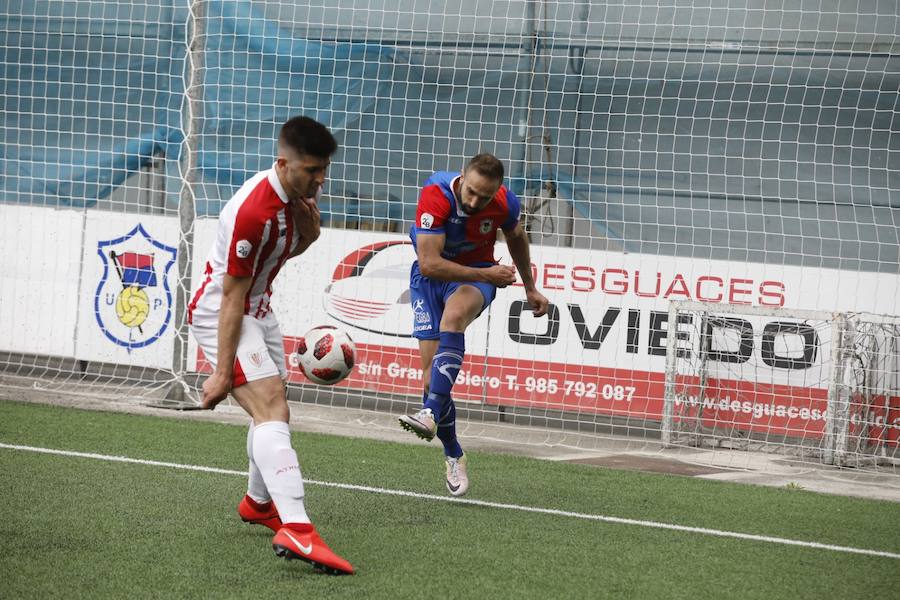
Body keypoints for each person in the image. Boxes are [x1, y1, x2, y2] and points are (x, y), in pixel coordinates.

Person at [188, 116, 353, 575]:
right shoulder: (253, 210)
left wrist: (311, 235)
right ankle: (298, 529)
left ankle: (259, 502)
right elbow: (231, 296)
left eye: (324, 170)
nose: (320, 179)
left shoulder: (299, 195)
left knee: (275, 409)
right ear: (283, 163)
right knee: (271, 408)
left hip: (258, 311)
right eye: (311, 170)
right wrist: (222, 372)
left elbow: (279, 252)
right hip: (224, 311)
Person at [399, 153, 550, 496]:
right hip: (433, 279)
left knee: (454, 319)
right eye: (470, 191)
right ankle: (453, 452)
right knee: (429, 379)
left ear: (497, 190)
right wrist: (488, 273)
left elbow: (516, 237)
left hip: (472, 282)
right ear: (462, 176)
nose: (474, 201)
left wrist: (529, 285)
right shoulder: (436, 193)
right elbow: (429, 265)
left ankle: (429, 413)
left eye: (484, 196)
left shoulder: (504, 203)